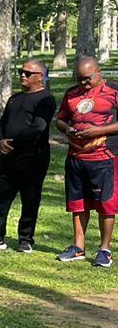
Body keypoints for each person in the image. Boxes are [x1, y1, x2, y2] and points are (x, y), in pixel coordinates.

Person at [0, 60, 55, 254]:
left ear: (40, 77)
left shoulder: (45, 99)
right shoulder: (15, 98)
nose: (22, 75)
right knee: (1, 196)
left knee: (30, 199)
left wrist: (13, 142)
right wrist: (0, 141)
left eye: (28, 73)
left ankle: (25, 239)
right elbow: (2, 123)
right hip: (8, 157)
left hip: (32, 157)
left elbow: (38, 127)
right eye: (21, 71)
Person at [55, 55, 118, 267]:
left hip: (104, 156)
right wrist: (67, 129)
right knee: (78, 203)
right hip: (76, 157)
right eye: (79, 79)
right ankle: (78, 247)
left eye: (87, 78)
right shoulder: (71, 93)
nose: (84, 83)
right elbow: (60, 120)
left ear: (99, 72)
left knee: (106, 204)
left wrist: (99, 131)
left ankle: (104, 250)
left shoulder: (113, 91)